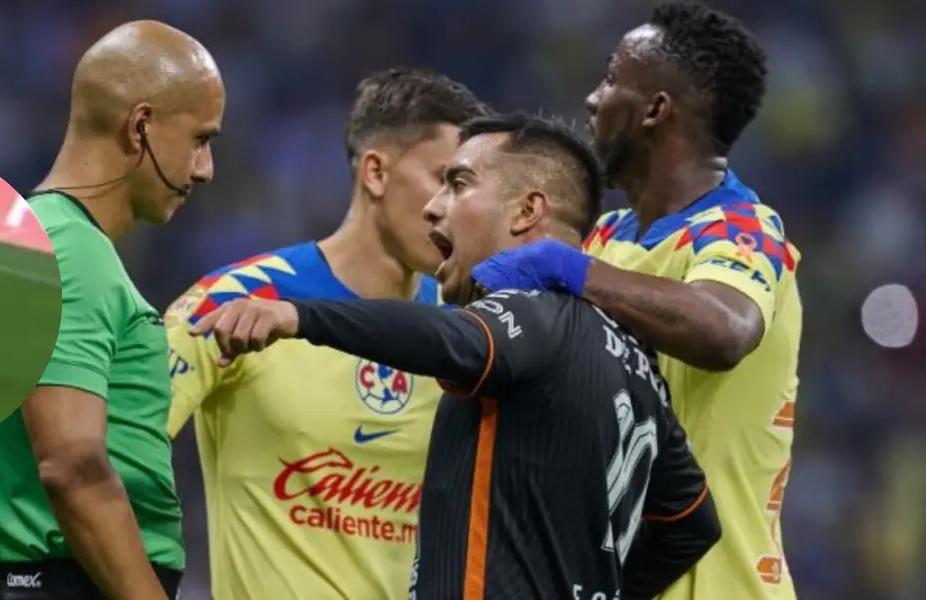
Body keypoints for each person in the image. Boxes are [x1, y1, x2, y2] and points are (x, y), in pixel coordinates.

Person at [191, 113, 722, 600]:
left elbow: (453, 341)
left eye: (459, 183)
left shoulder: (535, 312)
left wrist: (299, 315)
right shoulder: (637, 360)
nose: (433, 205)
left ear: (527, 211)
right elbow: (692, 522)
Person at [472, 4, 800, 600]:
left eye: (609, 79)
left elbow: (725, 329)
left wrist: (569, 270)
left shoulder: (743, 230)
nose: (592, 99)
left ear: (654, 110)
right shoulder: (604, 239)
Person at [164, 68, 492, 600]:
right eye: (443, 180)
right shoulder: (237, 302)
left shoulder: (468, 333)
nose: (449, 209)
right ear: (376, 173)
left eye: (465, 189)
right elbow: (116, 448)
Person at [0, 20, 225, 600]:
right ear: (140, 125)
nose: (205, 170)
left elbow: (0, 476)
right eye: (200, 140)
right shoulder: (69, 252)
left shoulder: (19, 243)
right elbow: (70, 464)